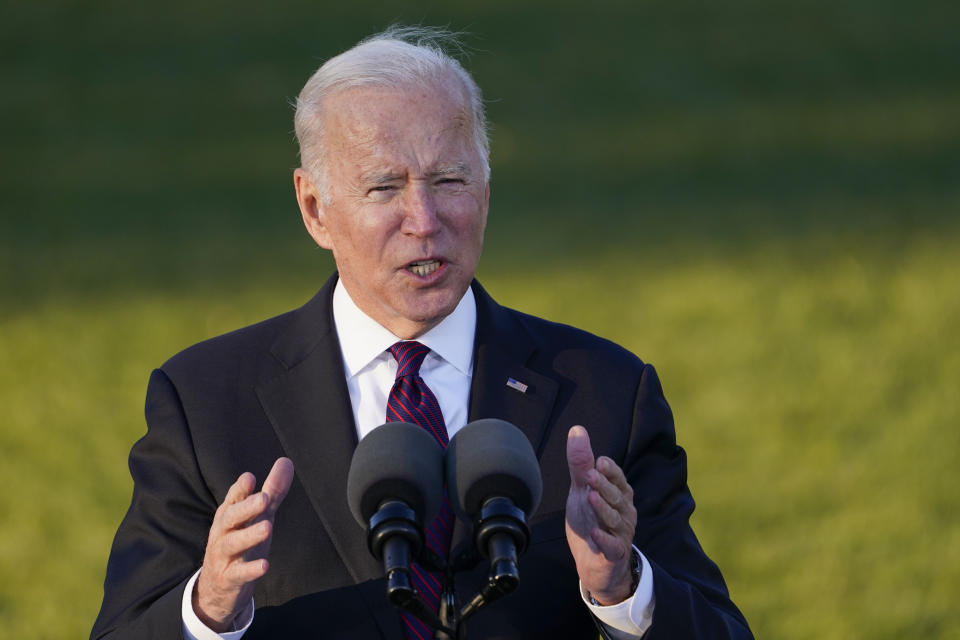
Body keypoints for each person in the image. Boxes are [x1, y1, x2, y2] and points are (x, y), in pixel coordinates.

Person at [91, 27, 752, 640]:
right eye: (384, 187)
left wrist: (624, 590)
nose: (425, 220)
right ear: (315, 209)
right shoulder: (205, 402)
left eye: (449, 180)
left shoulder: (606, 394)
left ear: (486, 190)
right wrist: (208, 609)